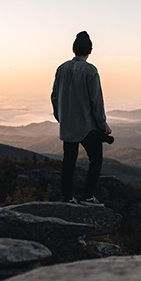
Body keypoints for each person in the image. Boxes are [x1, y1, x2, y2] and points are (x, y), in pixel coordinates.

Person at [51, 31, 112, 205]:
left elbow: (54, 96)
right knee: (96, 160)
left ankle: (68, 197)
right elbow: (96, 101)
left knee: (68, 161)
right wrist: (103, 125)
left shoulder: (61, 68)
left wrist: (61, 118)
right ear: (90, 51)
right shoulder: (90, 71)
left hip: (68, 125)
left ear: (73, 49)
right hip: (87, 126)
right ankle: (87, 196)